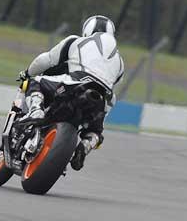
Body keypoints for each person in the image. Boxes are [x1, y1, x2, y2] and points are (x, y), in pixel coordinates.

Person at [20, 15, 124, 171]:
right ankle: (86, 145)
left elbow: (46, 60)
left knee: (36, 82)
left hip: (75, 84)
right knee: (95, 131)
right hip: (100, 99)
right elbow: (112, 95)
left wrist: (27, 72)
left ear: (86, 30)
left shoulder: (76, 41)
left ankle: (36, 111)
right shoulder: (120, 64)